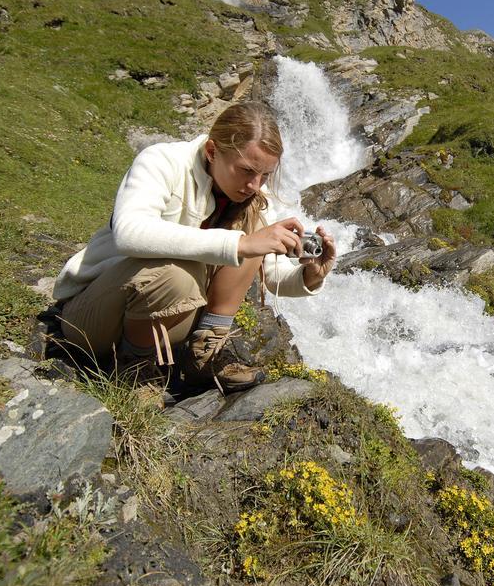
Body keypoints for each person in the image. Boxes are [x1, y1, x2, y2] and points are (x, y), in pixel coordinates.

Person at [51, 101, 336, 392]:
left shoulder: (254, 198)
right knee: (176, 275)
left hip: (167, 320)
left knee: (255, 239)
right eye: (247, 170)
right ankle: (134, 372)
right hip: (92, 321)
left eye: (265, 175)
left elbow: (271, 275)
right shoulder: (162, 161)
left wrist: (310, 276)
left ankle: (203, 356)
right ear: (212, 151)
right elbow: (129, 233)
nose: (255, 184)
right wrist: (239, 243)